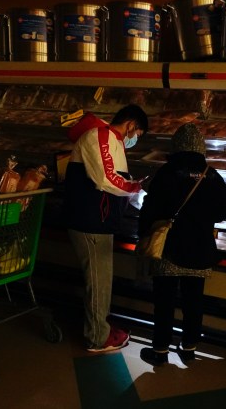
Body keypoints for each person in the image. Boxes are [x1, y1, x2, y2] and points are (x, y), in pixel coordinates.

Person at [137, 123, 226, 366]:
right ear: (201, 147)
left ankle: (159, 351)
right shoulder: (213, 175)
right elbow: (222, 213)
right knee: (194, 301)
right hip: (200, 248)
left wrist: (144, 234)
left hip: (169, 248)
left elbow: (150, 207)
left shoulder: (167, 172)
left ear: (176, 145)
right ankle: (189, 347)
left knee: (164, 301)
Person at [64, 104, 148, 353]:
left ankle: (101, 327)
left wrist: (139, 197)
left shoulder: (113, 142)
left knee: (102, 280)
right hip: (89, 221)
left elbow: (117, 180)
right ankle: (97, 338)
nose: (135, 139)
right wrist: (135, 189)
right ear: (131, 124)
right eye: (138, 134)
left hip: (100, 221)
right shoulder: (99, 135)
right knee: (98, 281)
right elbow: (105, 179)